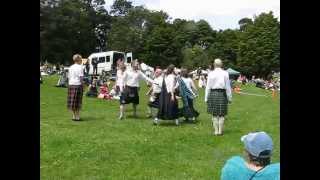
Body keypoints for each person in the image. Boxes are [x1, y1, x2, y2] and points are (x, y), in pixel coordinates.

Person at [205, 59, 232, 135]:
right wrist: (229, 97)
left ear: (214, 64)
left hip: (213, 94)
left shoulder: (211, 73)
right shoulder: (225, 73)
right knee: (221, 114)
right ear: (221, 64)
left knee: (214, 114)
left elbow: (208, 87)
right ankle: (220, 131)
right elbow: (228, 86)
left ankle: (216, 131)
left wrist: (206, 98)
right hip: (222, 94)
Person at [67, 54, 84, 121]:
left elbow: (69, 77)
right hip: (77, 85)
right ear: (78, 60)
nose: (81, 60)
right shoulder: (80, 67)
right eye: (81, 59)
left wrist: (69, 85)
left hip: (71, 84)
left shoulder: (70, 67)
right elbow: (81, 78)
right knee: (78, 102)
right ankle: (77, 116)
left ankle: (74, 116)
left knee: (72, 102)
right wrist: (83, 85)